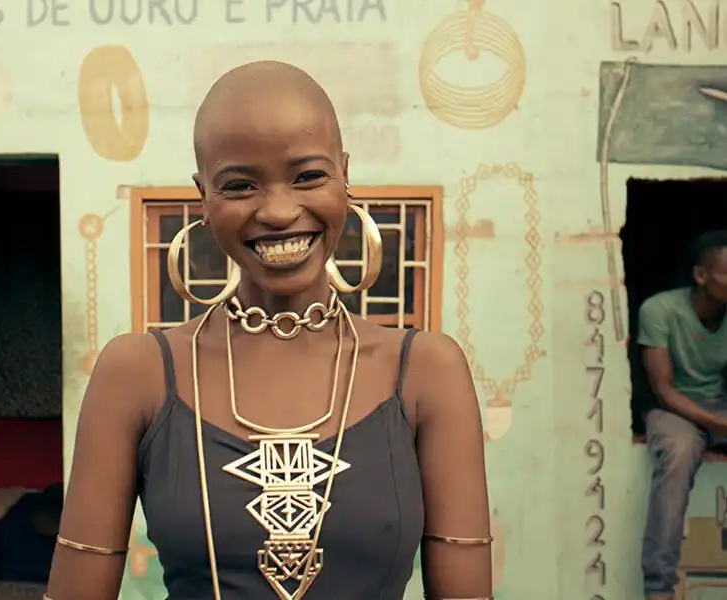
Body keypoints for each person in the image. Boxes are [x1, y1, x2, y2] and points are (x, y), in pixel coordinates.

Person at [46, 61, 492, 600]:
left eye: (308, 176)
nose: (279, 211)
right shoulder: (137, 374)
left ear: (345, 175)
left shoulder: (426, 372)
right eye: (239, 185)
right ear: (203, 197)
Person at [639, 229, 727, 600]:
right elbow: (663, 390)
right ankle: (659, 589)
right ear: (701, 275)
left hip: (717, 403)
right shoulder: (660, 310)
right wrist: (719, 424)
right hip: (672, 408)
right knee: (678, 452)